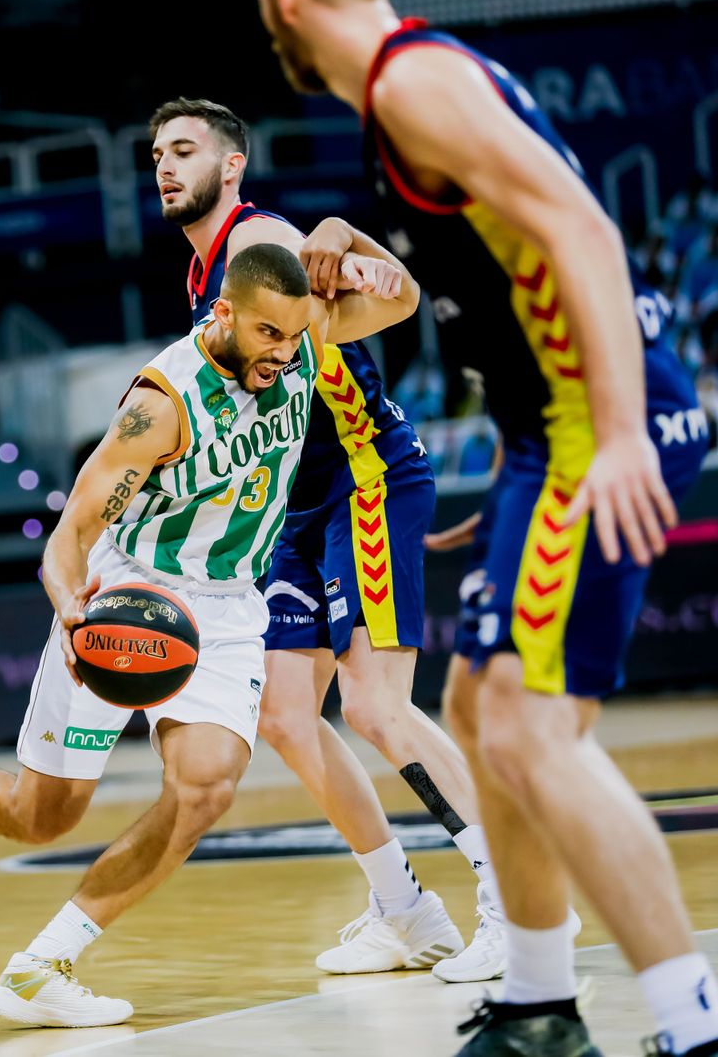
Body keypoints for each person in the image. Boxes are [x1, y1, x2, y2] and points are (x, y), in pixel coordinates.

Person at [252, 0, 718, 1056]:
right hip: (545, 440)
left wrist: (617, 432)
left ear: (288, 2)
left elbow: (585, 229)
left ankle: (700, 1029)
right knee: (477, 711)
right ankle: (537, 1006)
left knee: (525, 725)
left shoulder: (410, 82)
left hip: (589, 429)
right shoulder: (401, 98)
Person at [0, 241, 417, 1026]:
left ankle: (40, 968)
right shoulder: (161, 405)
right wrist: (69, 602)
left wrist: (347, 242)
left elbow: (404, 300)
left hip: (227, 606)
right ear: (223, 313)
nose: (283, 354)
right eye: (267, 335)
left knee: (207, 786)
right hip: (130, 595)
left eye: (295, 337)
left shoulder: (299, 342)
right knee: (42, 816)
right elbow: (72, 530)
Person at [150, 96, 513, 981]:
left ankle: (519, 899)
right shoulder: (203, 274)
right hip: (298, 505)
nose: (164, 165)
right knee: (284, 716)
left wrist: (345, 236)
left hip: (366, 477)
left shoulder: (258, 241)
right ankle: (405, 911)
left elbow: (397, 296)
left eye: (185, 150)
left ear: (231, 165)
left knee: (377, 706)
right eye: (157, 153)